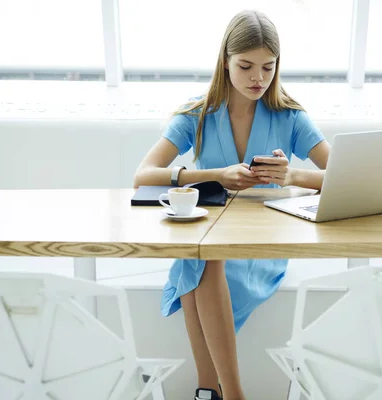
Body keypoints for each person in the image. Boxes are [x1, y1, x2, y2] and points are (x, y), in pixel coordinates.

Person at [133, 9, 330, 400]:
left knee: (199, 262)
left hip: (263, 239)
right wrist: (213, 175)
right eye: (246, 66)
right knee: (203, 256)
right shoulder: (197, 113)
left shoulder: (289, 115)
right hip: (211, 229)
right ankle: (222, 393)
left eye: (268, 67)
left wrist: (290, 177)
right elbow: (144, 175)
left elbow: (343, 176)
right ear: (225, 62)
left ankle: (212, 390)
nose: (258, 78)